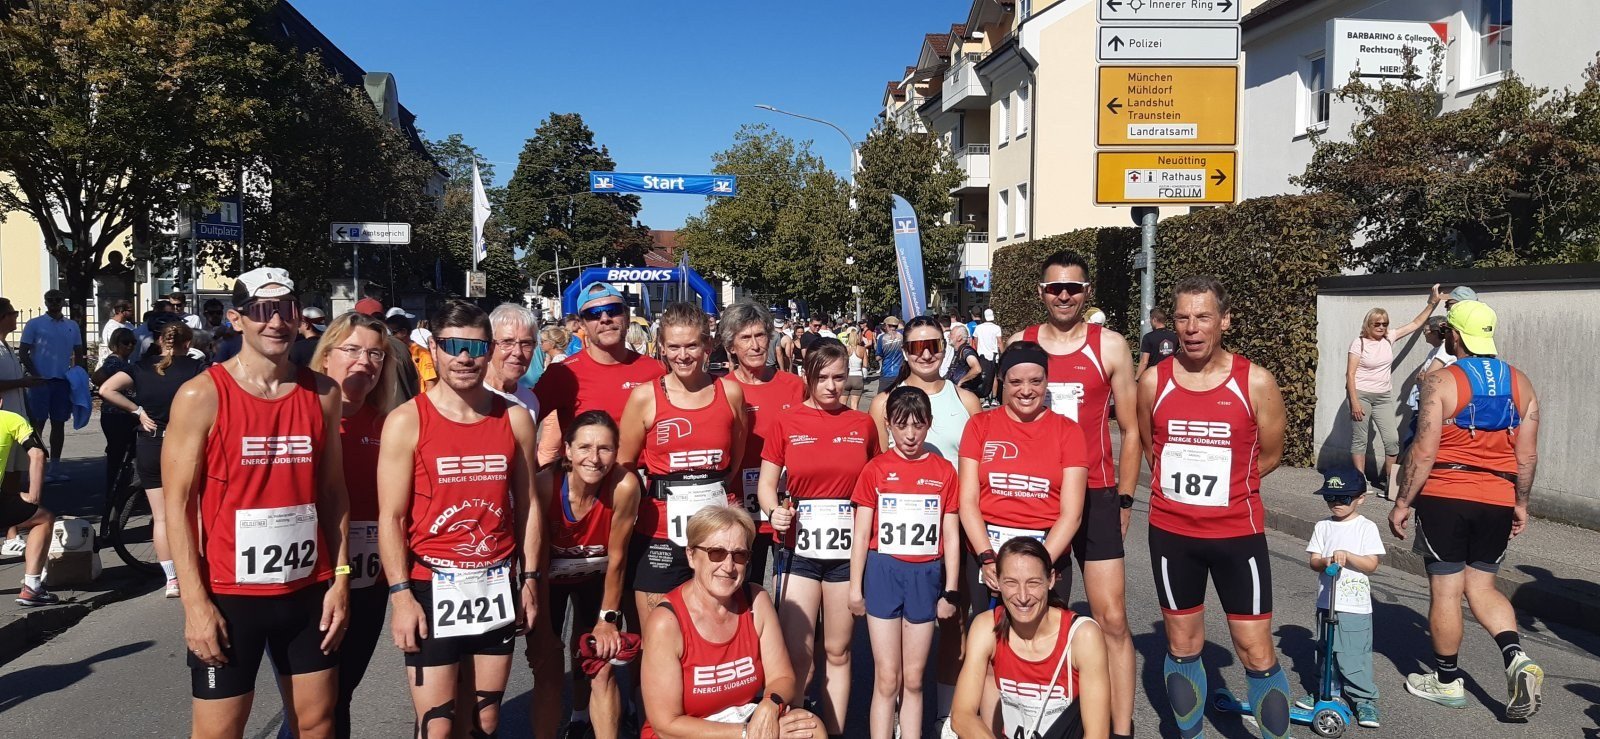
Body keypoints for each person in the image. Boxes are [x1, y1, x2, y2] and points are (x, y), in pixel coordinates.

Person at [160, 267, 350, 738]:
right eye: (262, 311)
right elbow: (177, 507)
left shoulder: (324, 393)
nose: (276, 322)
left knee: (318, 725)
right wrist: (194, 604)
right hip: (230, 596)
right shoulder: (202, 394)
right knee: (218, 732)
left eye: (285, 310)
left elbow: (333, 493)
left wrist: (341, 578)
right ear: (236, 318)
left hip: (307, 590)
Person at [1136, 276, 1292, 739]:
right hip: (1173, 534)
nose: (1192, 328)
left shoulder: (1256, 381)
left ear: (1224, 320)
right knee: (1182, 644)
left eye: (1203, 317)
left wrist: (1228, 487)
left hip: (1237, 534)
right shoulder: (1154, 381)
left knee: (1255, 650)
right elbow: (1151, 450)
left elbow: (1270, 455)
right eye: (1183, 318)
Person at [378, 299, 542, 739]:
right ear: (433, 348)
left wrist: (529, 580)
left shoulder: (514, 418)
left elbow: (528, 507)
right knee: (438, 724)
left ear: (489, 351)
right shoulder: (406, 420)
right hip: (432, 584)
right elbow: (391, 518)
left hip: (495, 582)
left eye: (475, 347)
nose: (464, 357)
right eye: (452, 346)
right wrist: (401, 597)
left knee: (485, 721)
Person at [1388, 299, 1544, 720]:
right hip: (1498, 496)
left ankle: (1446, 681)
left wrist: (1402, 502)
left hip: (1447, 494)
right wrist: (1521, 502)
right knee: (1483, 587)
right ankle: (1515, 657)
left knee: (1446, 590)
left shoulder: (1440, 380)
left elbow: (1424, 451)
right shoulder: (1522, 383)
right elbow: (1527, 456)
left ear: (1454, 335)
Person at [1008, 251, 1140, 738]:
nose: (1063, 296)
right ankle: (1043, 721)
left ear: (1087, 292)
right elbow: (1005, 419)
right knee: (1040, 613)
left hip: (1096, 495)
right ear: (1041, 293)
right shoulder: (1020, 343)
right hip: (1038, 496)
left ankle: (1120, 729)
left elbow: (1131, 430)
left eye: (1073, 288)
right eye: (1054, 288)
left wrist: (1124, 499)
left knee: (1112, 617)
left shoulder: (1110, 346)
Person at [288, 312, 402, 739]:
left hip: (369, 580)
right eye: (352, 350)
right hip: (312, 578)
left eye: (375, 354)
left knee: (342, 694)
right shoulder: (304, 416)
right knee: (312, 705)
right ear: (326, 356)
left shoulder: (390, 424)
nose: (364, 361)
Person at [758, 339, 878, 737]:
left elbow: (875, 482)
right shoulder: (787, 422)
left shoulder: (861, 424)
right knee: (798, 655)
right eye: (822, 377)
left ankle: (836, 731)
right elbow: (766, 484)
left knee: (838, 650)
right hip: (800, 549)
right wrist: (773, 511)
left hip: (846, 550)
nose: (831, 386)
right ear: (807, 377)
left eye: (839, 377)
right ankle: (793, 728)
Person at [867, 316, 980, 732]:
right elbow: (877, 470)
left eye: (933, 344)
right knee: (896, 645)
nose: (926, 353)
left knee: (954, 621)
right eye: (916, 347)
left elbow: (977, 469)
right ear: (905, 351)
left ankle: (943, 716)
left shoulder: (966, 400)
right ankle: (896, 715)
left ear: (944, 347)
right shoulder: (884, 403)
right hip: (898, 544)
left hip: (953, 527)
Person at [639, 506, 825, 739]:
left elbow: (783, 677)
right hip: (690, 733)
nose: (728, 566)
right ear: (691, 556)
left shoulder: (755, 601)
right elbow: (666, 725)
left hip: (742, 719)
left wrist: (770, 705)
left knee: (811, 728)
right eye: (716, 553)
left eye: (739, 555)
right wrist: (747, 733)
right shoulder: (666, 622)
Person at [619, 302, 746, 613]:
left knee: (717, 623)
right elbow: (624, 464)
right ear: (662, 347)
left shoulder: (730, 393)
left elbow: (735, 458)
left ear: (707, 345)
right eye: (674, 347)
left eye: (691, 345)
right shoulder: (645, 397)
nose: (683, 355)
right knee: (658, 630)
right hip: (660, 532)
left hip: (718, 531)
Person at [849, 386, 960, 739]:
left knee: (913, 679)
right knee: (887, 677)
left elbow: (951, 534)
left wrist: (951, 590)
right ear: (888, 425)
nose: (910, 435)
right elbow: (861, 533)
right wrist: (854, 588)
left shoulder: (944, 471)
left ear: (930, 423)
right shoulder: (875, 469)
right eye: (901, 425)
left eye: (918, 425)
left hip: (924, 577)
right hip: (883, 573)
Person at [528, 411, 640, 739]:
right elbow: (536, 562)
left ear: (616, 452)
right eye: (585, 447)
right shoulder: (545, 485)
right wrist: (543, 630)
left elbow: (618, 560)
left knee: (601, 666)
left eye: (605, 448)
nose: (594, 458)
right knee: (548, 672)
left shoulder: (624, 486)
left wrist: (608, 620)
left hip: (597, 578)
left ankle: (584, 719)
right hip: (549, 581)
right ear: (567, 449)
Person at [957, 342, 1087, 609]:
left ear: (1047, 381)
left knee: (1043, 634)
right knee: (989, 633)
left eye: (1036, 381)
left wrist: (1036, 566)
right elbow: (967, 501)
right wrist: (987, 557)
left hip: (1047, 555)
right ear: (1003, 381)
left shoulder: (1069, 431)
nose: (1026, 390)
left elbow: (1072, 514)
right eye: (1016, 382)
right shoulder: (980, 425)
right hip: (988, 556)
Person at [951, 537, 1111, 739]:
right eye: (1011, 583)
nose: (1023, 596)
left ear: (1050, 580)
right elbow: (961, 715)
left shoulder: (1082, 635)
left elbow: (1097, 734)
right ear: (997, 581)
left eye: (1033, 583)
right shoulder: (986, 627)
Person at [100, 321, 206, 596]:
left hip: (151, 443)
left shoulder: (140, 367)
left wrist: (137, 411)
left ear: (160, 341)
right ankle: (197, 571)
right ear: (188, 343)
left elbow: (106, 389)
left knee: (160, 517)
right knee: (194, 511)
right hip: (185, 444)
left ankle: (171, 579)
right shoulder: (197, 369)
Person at [534, 283, 665, 466]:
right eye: (593, 314)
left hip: (642, 478)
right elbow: (520, 423)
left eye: (613, 310)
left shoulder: (657, 370)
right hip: (588, 477)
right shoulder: (562, 373)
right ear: (582, 325)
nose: (605, 319)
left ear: (627, 317)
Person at [722, 302, 806, 579]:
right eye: (745, 338)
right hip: (740, 507)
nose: (756, 345)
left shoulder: (794, 386)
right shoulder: (722, 389)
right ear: (731, 346)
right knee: (744, 589)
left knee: (792, 592)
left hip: (787, 507)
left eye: (760, 335)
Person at [1298, 467, 1384, 729]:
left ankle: (1364, 699)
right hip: (1327, 602)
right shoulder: (1323, 526)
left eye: (1344, 498)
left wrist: (1348, 555)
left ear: (1361, 498)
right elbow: (1314, 561)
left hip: (1354, 605)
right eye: (1330, 497)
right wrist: (1326, 561)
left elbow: (1371, 565)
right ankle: (1326, 692)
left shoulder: (1365, 527)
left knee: (1354, 654)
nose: (1336, 503)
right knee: (1326, 650)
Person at [1347, 285, 1443, 495]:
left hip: (1383, 397)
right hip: (1361, 395)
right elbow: (1350, 375)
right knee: (1360, 440)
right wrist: (1354, 402)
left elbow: (1416, 324)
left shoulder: (1389, 338)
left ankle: (1390, 484)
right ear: (1368, 324)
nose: (1382, 327)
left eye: (1385, 323)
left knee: (1392, 440)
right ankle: (1359, 482)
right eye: (1377, 324)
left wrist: (1432, 303)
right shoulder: (1359, 343)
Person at [20, 288, 84, 483]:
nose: (54, 302)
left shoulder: (72, 325)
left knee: (59, 424)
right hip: (40, 382)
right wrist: (35, 374)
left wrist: (76, 373)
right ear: (46, 302)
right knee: (37, 425)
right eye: (51, 299)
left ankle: (55, 467)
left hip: (62, 381)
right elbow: (23, 352)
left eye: (58, 299)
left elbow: (78, 351)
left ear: (63, 301)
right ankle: (35, 467)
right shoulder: (34, 324)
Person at [2, 393, 55, 606]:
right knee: (44, 519)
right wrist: (33, 495)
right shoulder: (12, 419)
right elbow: (38, 454)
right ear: (0, 402)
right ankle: (32, 588)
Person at [92, 327, 140, 506]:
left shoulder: (123, 361)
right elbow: (98, 377)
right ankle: (114, 493)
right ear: (115, 344)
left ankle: (118, 492)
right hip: (116, 414)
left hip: (120, 414)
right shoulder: (114, 361)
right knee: (118, 454)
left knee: (122, 454)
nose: (130, 346)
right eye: (125, 342)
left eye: (133, 342)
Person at [486, 303, 540, 412]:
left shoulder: (530, 401)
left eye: (526, 343)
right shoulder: (469, 397)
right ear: (490, 346)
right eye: (507, 342)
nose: (518, 352)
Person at [1134, 308, 1178, 378]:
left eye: (1150, 320)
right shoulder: (1174, 336)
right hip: (1170, 375)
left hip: (1154, 376)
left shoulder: (1148, 337)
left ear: (1154, 320)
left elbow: (1144, 362)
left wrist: (1136, 378)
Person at [973, 309, 1003, 404]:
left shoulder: (978, 328)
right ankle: (994, 398)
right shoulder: (997, 328)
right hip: (994, 355)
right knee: (993, 377)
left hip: (982, 355)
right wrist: (1003, 354)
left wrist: (978, 350)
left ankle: (985, 398)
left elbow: (975, 341)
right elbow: (999, 342)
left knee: (984, 377)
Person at [945, 323, 983, 395]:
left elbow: (977, 369)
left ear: (959, 338)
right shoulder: (958, 350)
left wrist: (961, 381)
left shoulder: (966, 351)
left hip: (964, 393)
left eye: (951, 334)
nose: (948, 336)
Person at [874, 316, 905, 396]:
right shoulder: (902, 336)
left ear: (886, 325)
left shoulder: (882, 338)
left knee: (881, 398)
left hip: (887, 373)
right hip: (901, 373)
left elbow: (878, 357)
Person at [843, 338, 867, 410]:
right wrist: (864, 377)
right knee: (854, 405)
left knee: (842, 404)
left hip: (846, 377)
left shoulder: (845, 349)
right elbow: (865, 365)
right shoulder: (862, 349)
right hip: (858, 377)